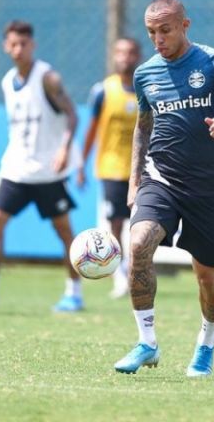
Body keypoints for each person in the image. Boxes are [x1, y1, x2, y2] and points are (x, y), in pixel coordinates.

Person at [112, 0, 214, 377]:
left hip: (208, 190)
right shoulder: (145, 74)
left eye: (165, 30)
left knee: (208, 277)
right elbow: (144, 126)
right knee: (138, 244)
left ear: (185, 26)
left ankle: (206, 343)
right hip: (162, 181)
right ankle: (147, 343)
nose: (158, 38)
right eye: (151, 32)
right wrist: (135, 178)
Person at [0, 20, 83, 312]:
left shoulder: (47, 77)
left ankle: (74, 292)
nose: (18, 50)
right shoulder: (6, 81)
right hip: (16, 170)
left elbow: (72, 114)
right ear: (5, 46)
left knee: (64, 231)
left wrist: (64, 148)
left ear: (32, 45)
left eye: (23, 44)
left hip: (47, 171)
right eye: (12, 44)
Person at [77, 37, 143, 299]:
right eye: (120, 52)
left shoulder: (145, 88)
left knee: (141, 225)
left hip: (141, 170)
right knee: (116, 223)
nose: (125, 57)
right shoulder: (103, 90)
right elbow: (91, 130)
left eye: (130, 52)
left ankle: (137, 271)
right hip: (112, 167)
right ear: (114, 56)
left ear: (137, 56)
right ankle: (119, 274)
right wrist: (81, 163)